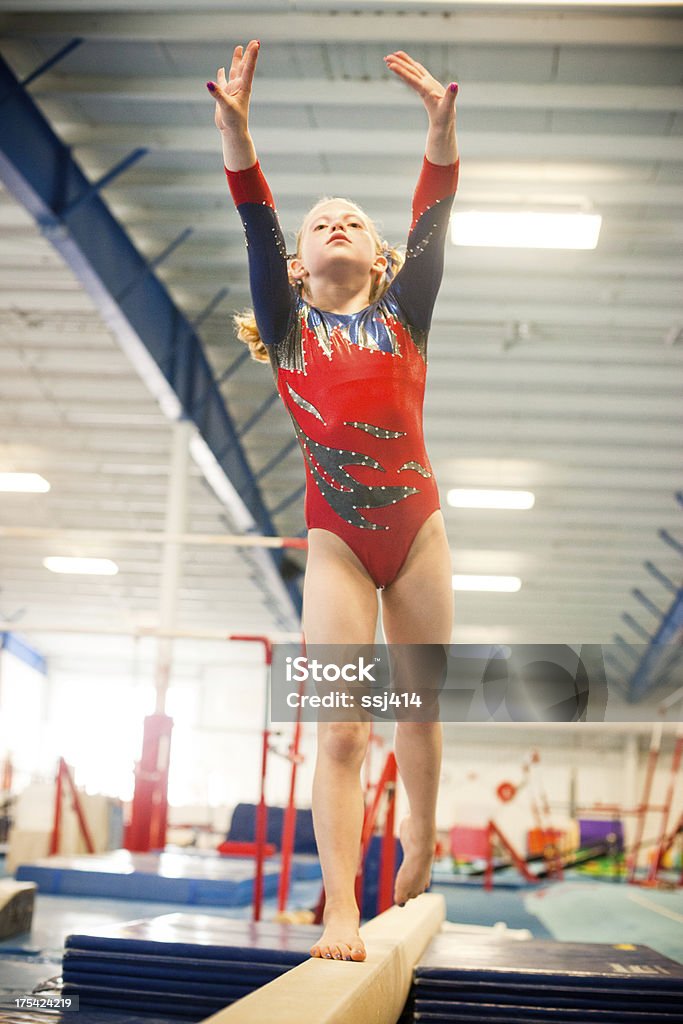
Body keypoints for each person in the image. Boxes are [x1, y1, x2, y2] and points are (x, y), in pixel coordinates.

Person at [208, 41, 459, 963]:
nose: (338, 223)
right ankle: (343, 906)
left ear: (380, 255)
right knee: (342, 730)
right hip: (339, 545)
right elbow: (253, 219)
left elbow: (435, 214)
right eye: (321, 223)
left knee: (420, 712)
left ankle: (423, 841)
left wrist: (441, 132)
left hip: (419, 535)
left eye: (352, 218)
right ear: (302, 264)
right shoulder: (285, 326)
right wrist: (237, 134)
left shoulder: (406, 316)